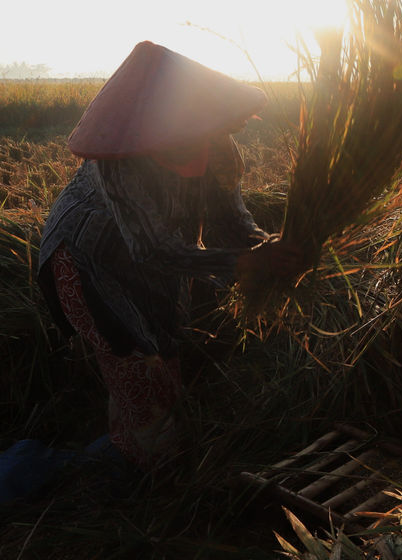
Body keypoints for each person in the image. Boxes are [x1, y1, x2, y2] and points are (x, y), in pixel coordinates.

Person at [33, 41, 300, 471]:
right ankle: (143, 479)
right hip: (88, 266)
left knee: (163, 353)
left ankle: (140, 449)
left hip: (157, 261)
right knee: (134, 363)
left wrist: (266, 247)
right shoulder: (117, 161)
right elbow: (150, 248)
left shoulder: (219, 150)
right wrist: (239, 266)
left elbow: (232, 220)